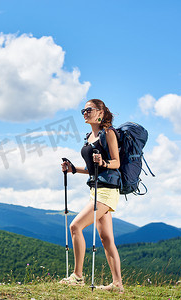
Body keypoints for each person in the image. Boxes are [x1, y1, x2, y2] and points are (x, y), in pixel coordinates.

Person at [59, 99, 124, 293]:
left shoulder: (109, 133)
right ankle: (117, 284)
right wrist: (72, 169)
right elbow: (90, 169)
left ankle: (77, 276)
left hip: (107, 190)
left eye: (89, 110)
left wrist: (103, 162)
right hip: (95, 189)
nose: (85, 113)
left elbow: (116, 163)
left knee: (75, 226)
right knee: (106, 238)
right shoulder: (89, 136)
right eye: (83, 110)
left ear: (100, 112)